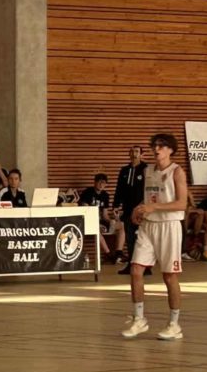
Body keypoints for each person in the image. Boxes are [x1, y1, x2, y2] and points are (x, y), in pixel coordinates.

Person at [122, 132, 187, 342]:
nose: (156, 149)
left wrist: (154, 207)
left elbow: (182, 204)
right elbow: (148, 198)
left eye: (161, 146)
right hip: (149, 226)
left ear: (171, 150)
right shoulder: (148, 170)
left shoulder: (177, 172)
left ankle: (174, 324)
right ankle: (139, 319)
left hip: (169, 226)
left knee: (169, 276)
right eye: (155, 145)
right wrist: (138, 209)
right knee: (135, 270)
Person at [114, 145, 147, 276]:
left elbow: (149, 189)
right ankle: (132, 264)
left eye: (137, 151)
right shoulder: (124, 170)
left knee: (142, 238)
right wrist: (116, 204)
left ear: (142, 154)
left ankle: (145, 266)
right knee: (130, 237)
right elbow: (119, 188)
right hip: (128, 208)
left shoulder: (146, 169)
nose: (134, 154)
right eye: (132, 151)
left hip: (142, 208)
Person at [78, 174, 120, 259]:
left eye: (103, 183)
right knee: (97, 229)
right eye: (99, 182)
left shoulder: (105, 195)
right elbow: (85, 211)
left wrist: (112, 220)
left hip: (100, 221)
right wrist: (97, 223)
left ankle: (118, 253)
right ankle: (109, 254)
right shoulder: (88, 192)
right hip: (88, 221)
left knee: (120, 226)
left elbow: (105, 215)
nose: (101, 185)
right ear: (95, 182)